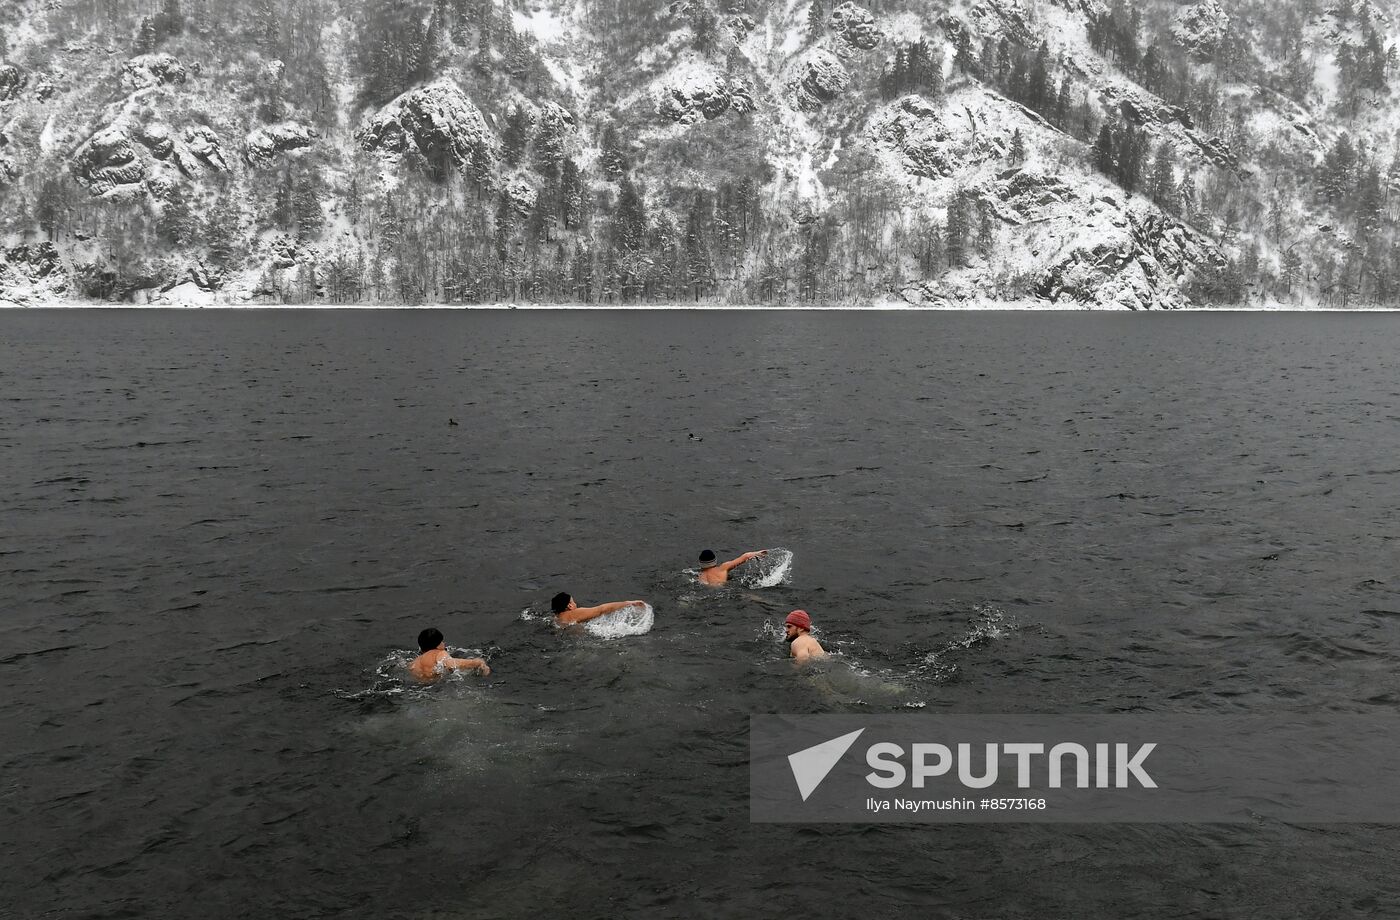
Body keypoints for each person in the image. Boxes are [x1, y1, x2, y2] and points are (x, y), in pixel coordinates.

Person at [408, 627, 491, 682]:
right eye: (442, 641)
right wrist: (477, 662)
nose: (444, 643)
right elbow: (450, 664)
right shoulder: (439, 653)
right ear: (438, 644)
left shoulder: (414, 663)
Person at [551, 592, 648, 626]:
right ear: (570, 606)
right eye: (573, 601)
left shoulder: (557, 618)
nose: (575, 603)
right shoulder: (573, 614)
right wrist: (629, 603)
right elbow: (602, 610)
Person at [696, 547, 767, 586]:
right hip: (726, 590)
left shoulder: (700, 576)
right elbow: (746, 556)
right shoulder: (722, 568)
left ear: (700, 563)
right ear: (715, 561)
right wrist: (758, 553)